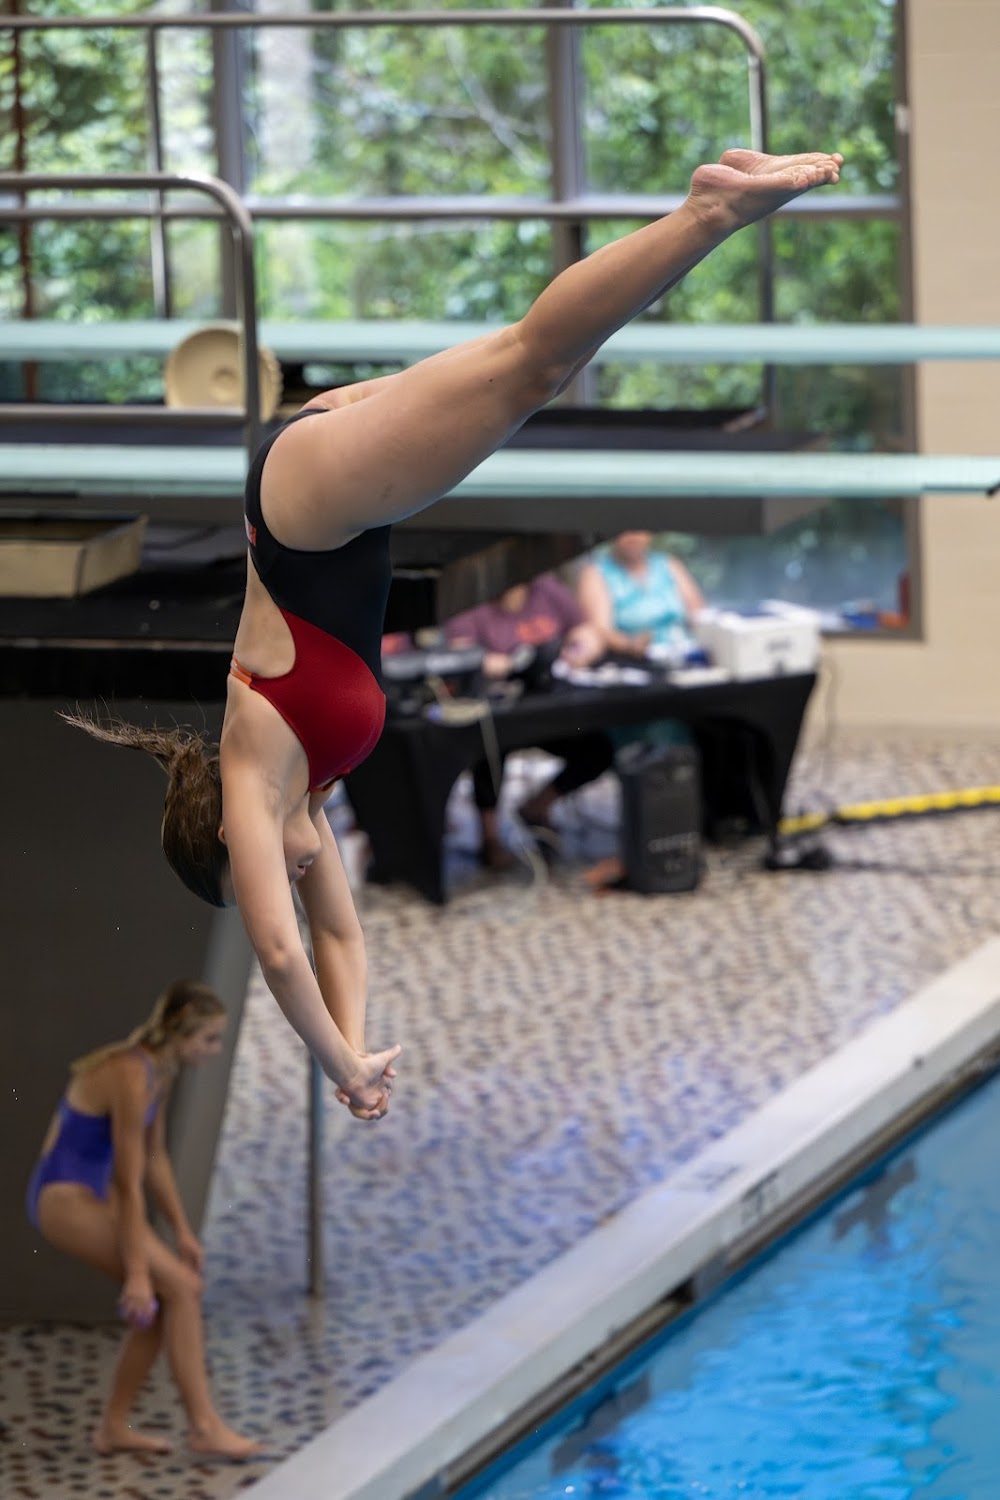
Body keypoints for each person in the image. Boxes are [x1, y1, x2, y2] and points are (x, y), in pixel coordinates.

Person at [63, 149, 843, 1102]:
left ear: (228, 835)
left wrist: (329, 1059)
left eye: (259, 874)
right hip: (328, 490)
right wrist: (356, 1061)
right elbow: (337, 937)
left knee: (532, 364)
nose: (291, 882)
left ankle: (710, 210)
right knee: (535, 362)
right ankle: (710, 211)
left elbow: (279, 950)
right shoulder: (309, 793)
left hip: (314, 510)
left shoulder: (253, 785)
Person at [26, 980, 263, 1460]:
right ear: (181, 1034)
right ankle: (204, 1426)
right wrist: (136, 1272)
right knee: (180, 1288)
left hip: (92, 1194)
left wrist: (183, 1232)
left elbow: (156, 1160)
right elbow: (129, 1182)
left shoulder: (160, 1070)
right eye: (209, 1039)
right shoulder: (131, 1074)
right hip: (63, 1197)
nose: (215, 1050)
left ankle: (114, 1428)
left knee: (163, 1301)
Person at [444, 574, 611, 868]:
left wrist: (580, 651)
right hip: (498, 709)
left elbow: (585, 631)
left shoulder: (546, 588)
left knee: (597, 747)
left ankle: (538, 806)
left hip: (548, 704)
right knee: (490, 748)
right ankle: (490, 839)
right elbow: (459, 651)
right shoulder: (472, 598)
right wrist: (498, 663)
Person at [577, 530, 705, 659]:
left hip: (685, 652)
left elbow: (699, 613)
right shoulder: (596, 573)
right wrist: (631, 645)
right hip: (632, 659)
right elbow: (601, 629)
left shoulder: (668, 563)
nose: (633, 537)